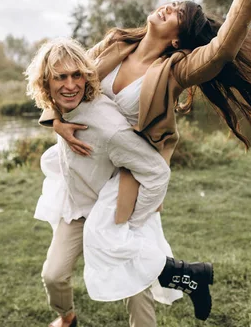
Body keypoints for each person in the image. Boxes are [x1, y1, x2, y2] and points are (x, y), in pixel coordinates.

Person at [40, 0, 251, 227]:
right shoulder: (114, 43)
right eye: (174, 3)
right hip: (89, 164)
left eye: (179, 13)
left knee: (117, 253)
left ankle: (172, 270)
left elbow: (222, 49)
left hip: (126, 173)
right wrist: (56, 121)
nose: (169, 7)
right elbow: (66, 76)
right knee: (68, 259)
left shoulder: (175, 71)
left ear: (179, 38)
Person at [25, 38, 213, 327]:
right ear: (46, 83)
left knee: (136, 287)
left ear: (87, 77)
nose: (70, 85)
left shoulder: (109, 127)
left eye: (77, 75)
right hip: (77, 206)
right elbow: (54, 107)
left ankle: (190, 276)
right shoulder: (62, 108)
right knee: (53, 275)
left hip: (112, 213)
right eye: (60, 77)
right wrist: (56, 123)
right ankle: (67, 317)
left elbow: (156, 172)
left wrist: (134, 220)